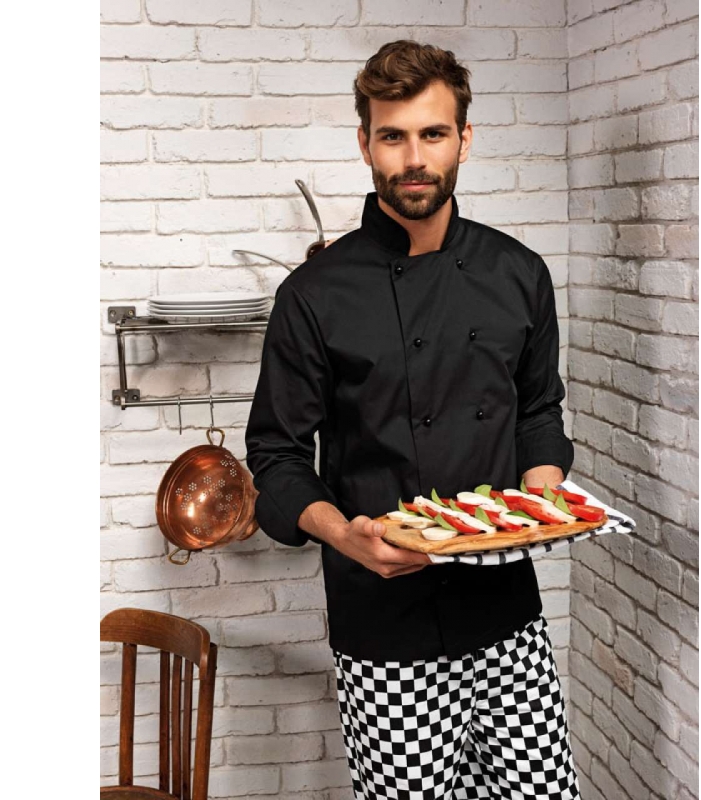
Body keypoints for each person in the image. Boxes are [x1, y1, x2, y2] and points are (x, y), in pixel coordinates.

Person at [246, 39, 580, 800]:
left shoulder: (519, 272)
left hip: (508, 618)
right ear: (365, 143)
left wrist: (541, 496)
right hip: (383, 630)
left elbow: (538, 410)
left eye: (433, 133)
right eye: (393, 136)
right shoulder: (314, 294)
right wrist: (344, 535)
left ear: (465, 138)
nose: (415, 158)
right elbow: (277, 456)